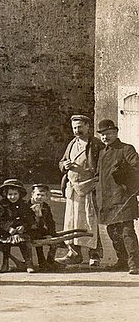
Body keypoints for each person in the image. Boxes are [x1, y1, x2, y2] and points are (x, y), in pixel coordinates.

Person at [57, 114, 104, 266]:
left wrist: (87, 172)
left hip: (89, 187)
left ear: (88, 127)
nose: (77, 131)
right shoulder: (72, 143)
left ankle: (94, 255)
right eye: (74, 128)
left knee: (90, 221)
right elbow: (62, 161)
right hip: (73, 188)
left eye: (80, 127)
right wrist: (65, 165)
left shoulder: (96, 144)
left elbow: (102, 167)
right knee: (71, 221)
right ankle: (74, 254)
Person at [95, 119, 139, 274]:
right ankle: (122, 261)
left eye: (108, 134)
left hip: (123, 197)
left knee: (127, 231)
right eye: (102, 135)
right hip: (107, 200)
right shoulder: (102, 152)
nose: (105, 137)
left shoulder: (126, 149)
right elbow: (99, 176)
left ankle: (134, 264)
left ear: (115, 133)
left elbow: (136, 167)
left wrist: (123, 173)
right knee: (112, 232)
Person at [0, 179, 36, 273]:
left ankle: (28, 263)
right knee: (5, 242)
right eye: (10, 194)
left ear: (20, 194)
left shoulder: (24, 205)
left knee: (24, 242)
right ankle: (5, 263)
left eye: (15, 194)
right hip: (6, 231)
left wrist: (24, 226)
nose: (12, 197)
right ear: (6, 194)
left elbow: (30, 219)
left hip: (21, 231)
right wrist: (9, 228)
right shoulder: (2, 205)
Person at [28, 184, 59, 271]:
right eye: (38, 195)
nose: (40, 197)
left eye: (42, 195)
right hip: (29, 230)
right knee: (38, 241)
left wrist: (52, 234)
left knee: (55, 240)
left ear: (46, 196)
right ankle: (41, 261)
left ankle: (50, 260)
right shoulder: (26, 206)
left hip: (40, 229)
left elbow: (50, 222)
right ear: (32, 194)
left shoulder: (45, 206)